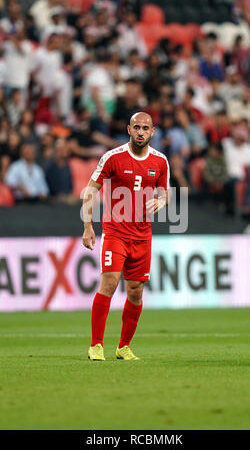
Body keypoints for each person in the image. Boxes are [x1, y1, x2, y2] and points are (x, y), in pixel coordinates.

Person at [82, 112, 170, 361]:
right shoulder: (113, 157)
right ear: (128, 129)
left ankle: (123, 347)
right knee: (109, 283)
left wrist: (161, 201)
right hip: (115, 232)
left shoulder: (161, 161)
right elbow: (90, 190)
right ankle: (96, 345)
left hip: (142, 236)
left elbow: (165, 193)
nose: (141, 132)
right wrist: (88, 225)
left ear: (152, 132)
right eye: (136, 127)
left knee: (135, 292)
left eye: (145, 128)